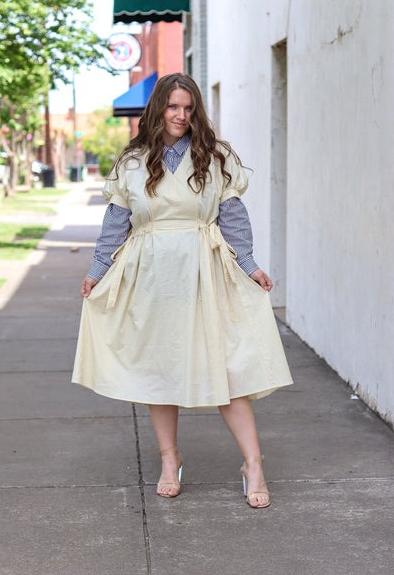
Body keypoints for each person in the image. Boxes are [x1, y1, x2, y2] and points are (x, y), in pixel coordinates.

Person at [72, 73, 293, 508]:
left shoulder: (215, 156)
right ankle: (169, 459)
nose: (181, 115)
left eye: (189, 108)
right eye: (173, 107)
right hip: (150, 274)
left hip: (204, 270)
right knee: (161, 370)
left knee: (227, 368)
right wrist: (97, 270)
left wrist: (249, 265)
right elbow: (116, 223)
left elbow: (232, 218)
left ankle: (253, 464)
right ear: (158, 108)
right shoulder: (133, 163)